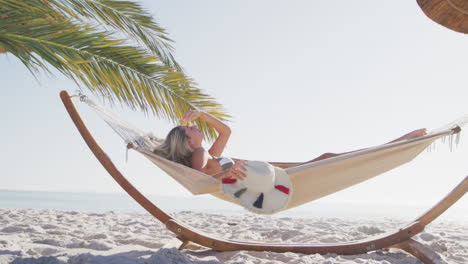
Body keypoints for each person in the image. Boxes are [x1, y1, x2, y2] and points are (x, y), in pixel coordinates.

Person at [153, 110, 427, 180]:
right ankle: (395, 144)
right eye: (190, 127)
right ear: (188, 140)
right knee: (328, 157)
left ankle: (394, 144)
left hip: (268, 172)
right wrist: (227, 173)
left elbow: (225, 130)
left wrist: (201, 113)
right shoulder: (201, 153)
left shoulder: (207, 153)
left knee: (327, 157)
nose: (195, 127)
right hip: (265, 179)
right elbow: (203, 180)